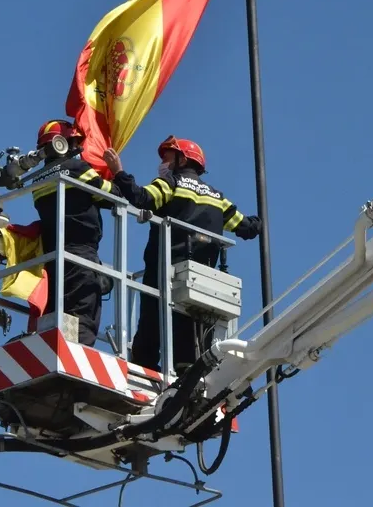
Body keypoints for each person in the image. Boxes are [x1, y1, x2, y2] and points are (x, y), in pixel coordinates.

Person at [102, 135, 262, 372]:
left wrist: (118, 172)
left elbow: (141, 198)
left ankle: (144, 365)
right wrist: (259, 222)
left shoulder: (170, 183)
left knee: (151, 320)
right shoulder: (218, 198)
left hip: (163, 266)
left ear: (181, 159)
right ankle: (188, 370)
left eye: (167, 157)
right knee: (190, 325)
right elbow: (246, 228)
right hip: (203, 278)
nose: (163, 163)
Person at [28, 119, 121, 346]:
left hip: (52, 255)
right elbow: (115, 197)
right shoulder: (77, 169)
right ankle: (76, 354)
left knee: (58, 308)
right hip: (80, 254)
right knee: (82, 311)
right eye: (75, 143)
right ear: (64, 144)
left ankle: (54, 348)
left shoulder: (37, 179)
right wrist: (116, 173)